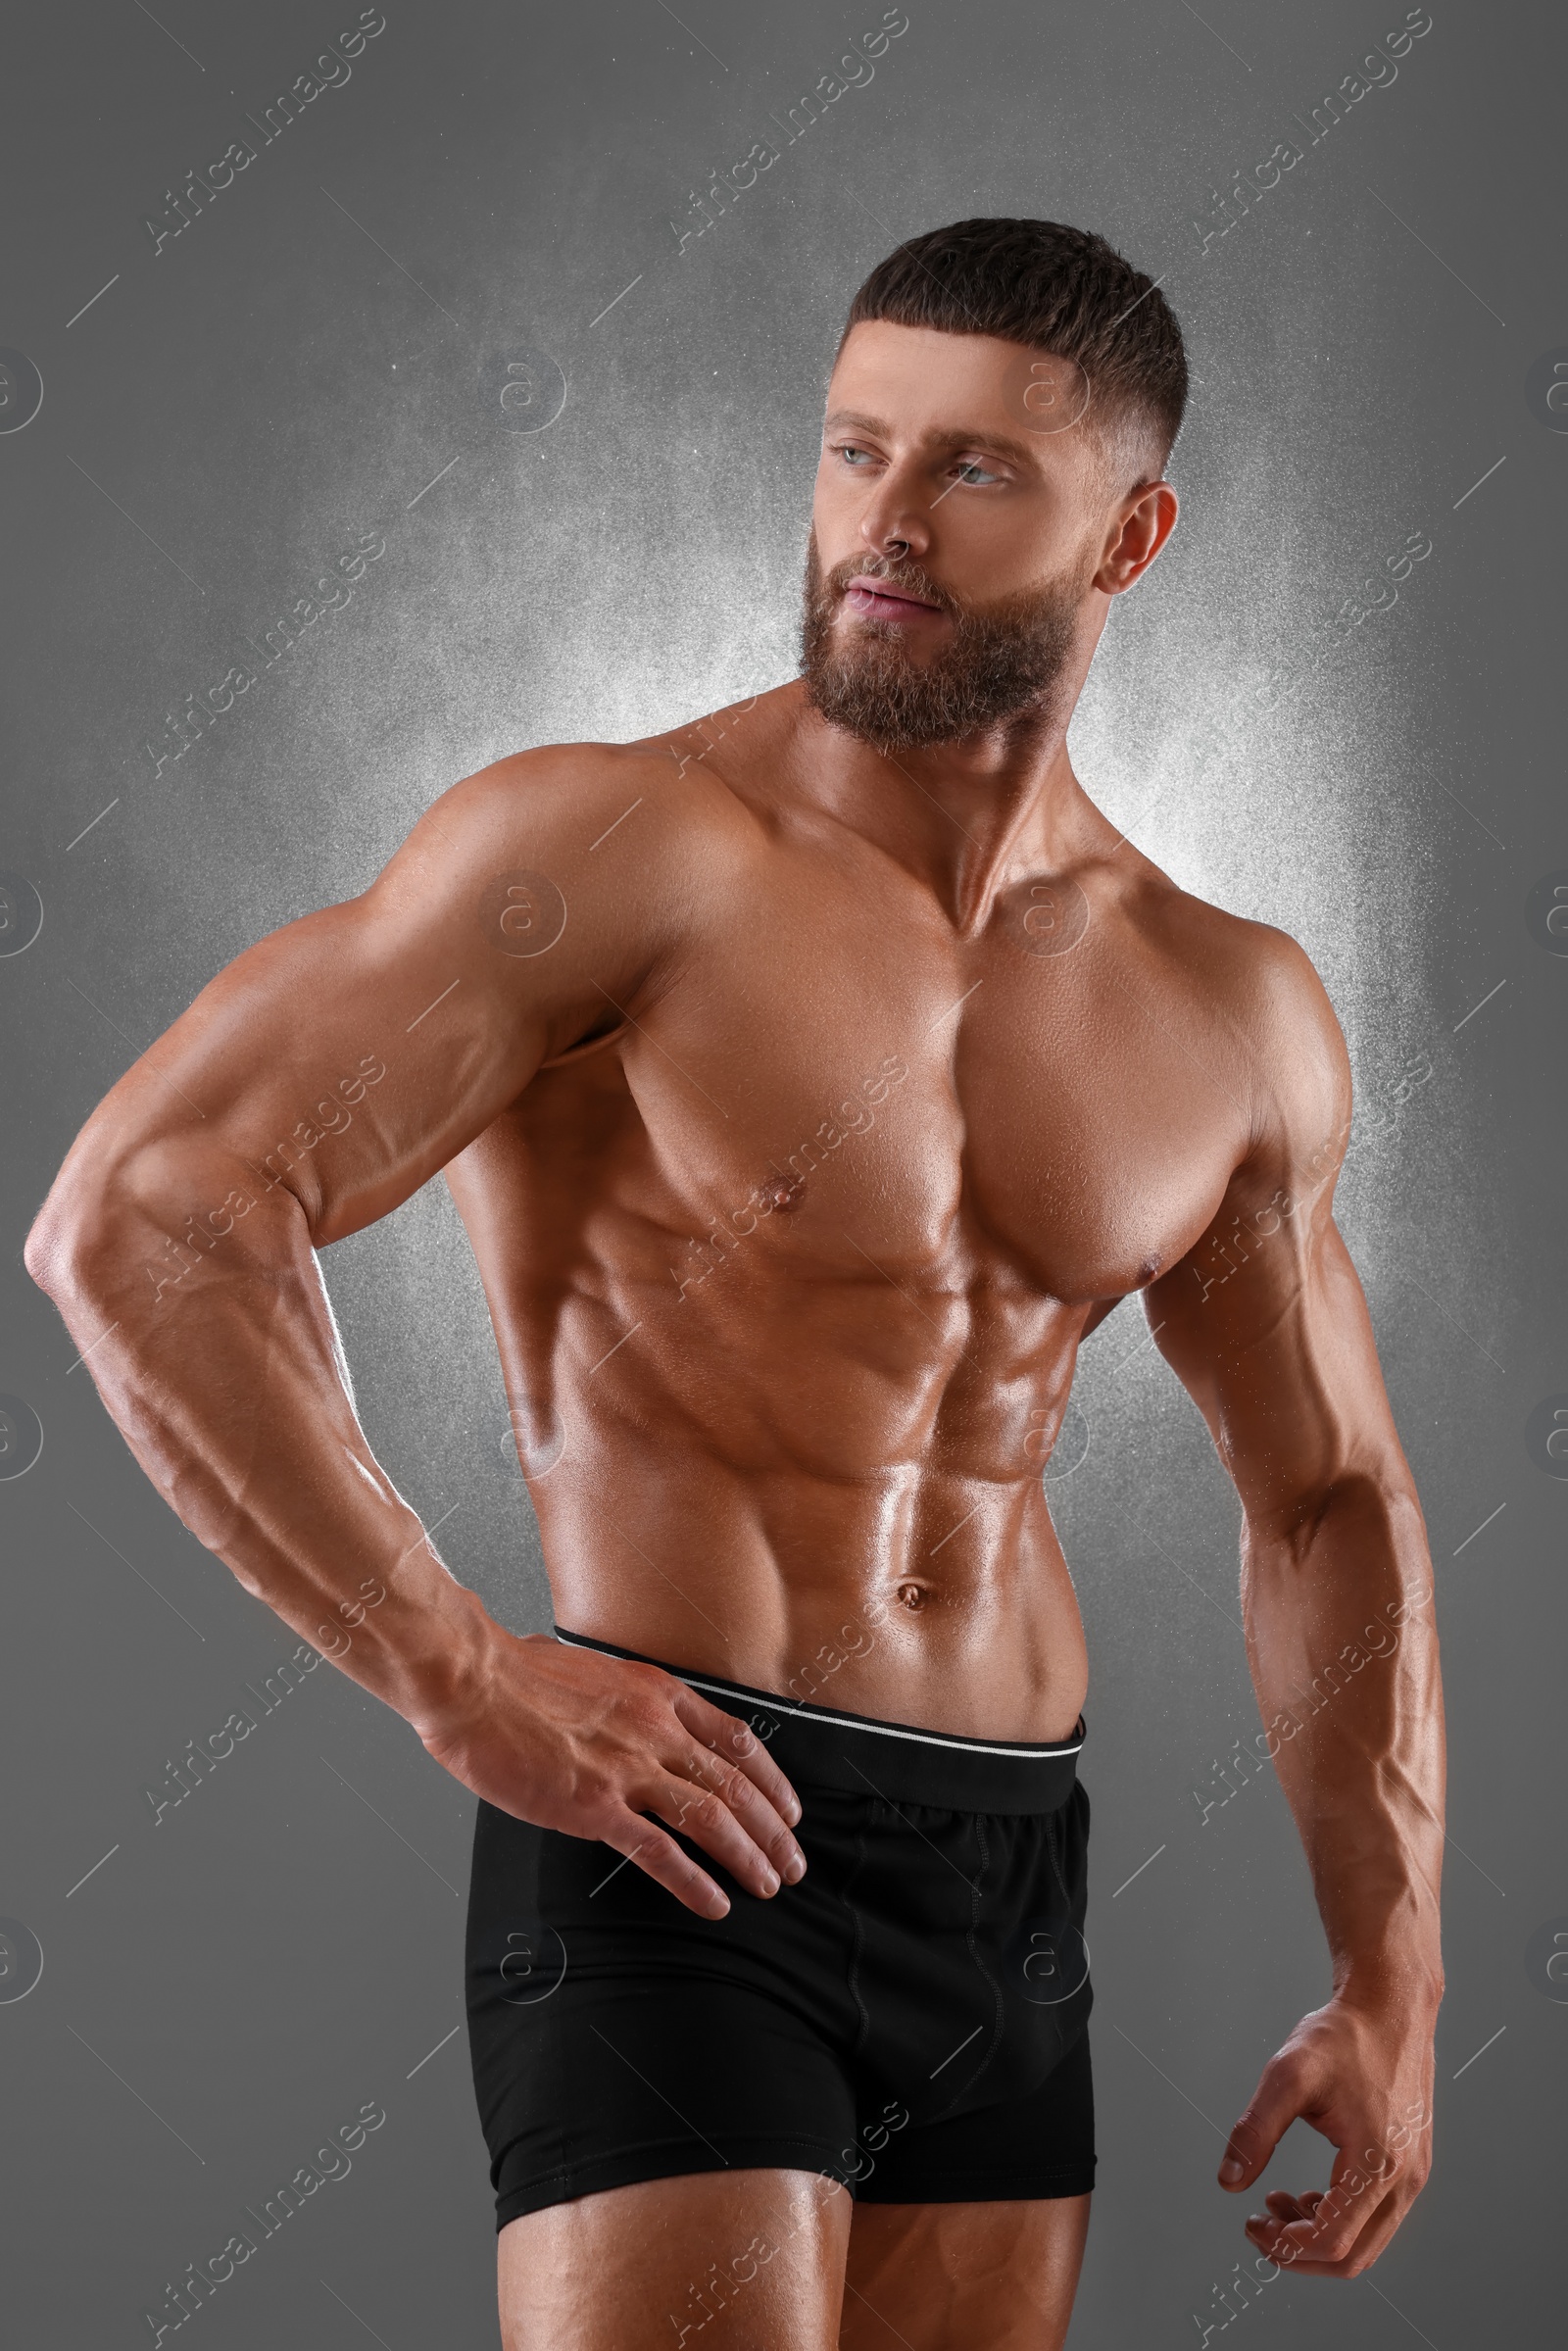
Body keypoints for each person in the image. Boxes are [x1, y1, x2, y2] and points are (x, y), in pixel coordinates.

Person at [25, 218, 1444, 2350]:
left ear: (1127, 533)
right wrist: (453, 1667)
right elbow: (143, 1208)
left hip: (1002, 1867)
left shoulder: (1217, 1002)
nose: (879, 523)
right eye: (851, 448)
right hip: (675, 1845)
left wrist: (1391, 1983)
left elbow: (1327, 1498)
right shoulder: (620, 853)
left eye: (968, 470)